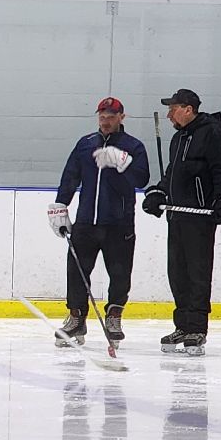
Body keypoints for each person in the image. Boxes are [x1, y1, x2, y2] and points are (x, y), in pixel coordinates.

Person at [48, 97, 148, 346]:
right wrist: (61, 204)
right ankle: (76, 318)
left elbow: (142, 179)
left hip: (119, 223)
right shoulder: (86, 144)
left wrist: (124, 163)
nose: (105, 121)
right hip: (86, 222)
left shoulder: (134, 146)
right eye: (102, 116)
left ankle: (114, 316)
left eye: (111, 117)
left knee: (120, 273)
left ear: (121, 117)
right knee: (76, 271)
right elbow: (71, 175)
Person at [142, 87, 221, 356]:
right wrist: (159, 192)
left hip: (199, 217)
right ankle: (182, 325)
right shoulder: (178, 137)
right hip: (177, 215)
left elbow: (220, 168)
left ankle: (197, 328)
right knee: (178, 273)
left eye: (173, 109)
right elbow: (173, 172)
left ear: (188, 109)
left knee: (197, 274)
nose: (169, 115)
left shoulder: (212, 132)